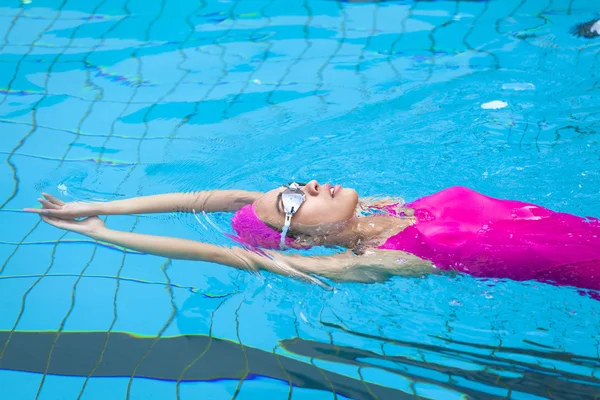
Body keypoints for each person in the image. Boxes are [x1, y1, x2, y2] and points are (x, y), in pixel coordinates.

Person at [24, 182, 600, 293]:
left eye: (293, 183)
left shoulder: (396, 207)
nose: (307, 184)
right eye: (296, 199)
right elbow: (224, 252)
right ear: (304, 236)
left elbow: (215, 200)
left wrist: (100, 201)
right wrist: (106, 233)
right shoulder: (389, 257)